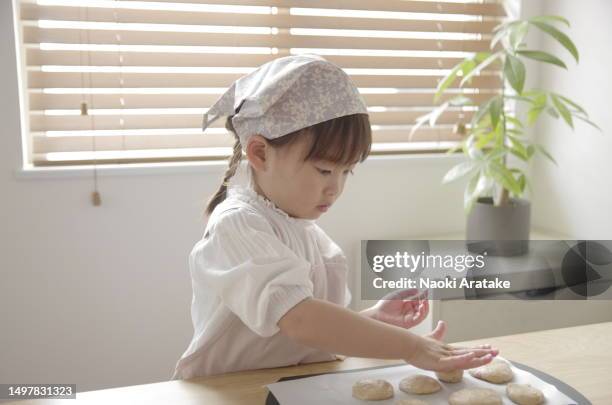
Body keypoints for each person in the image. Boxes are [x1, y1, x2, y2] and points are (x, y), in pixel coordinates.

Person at [172, 54, 498, 380]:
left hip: (289, 388)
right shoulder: (238, 225)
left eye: (347, 172)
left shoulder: (304, 230)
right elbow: (300, 320)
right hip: (227, 392)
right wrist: (412, 347)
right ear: (260, 153)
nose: (335, 188)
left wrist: (374, 318)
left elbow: (304, 335)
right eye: (325, 170)